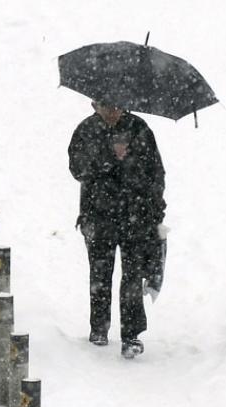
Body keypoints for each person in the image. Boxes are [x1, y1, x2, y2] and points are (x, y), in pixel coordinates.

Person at [68, 100, 166, 358]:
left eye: (117, 106)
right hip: (98, 216)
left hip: (136, 216)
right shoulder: (86, 130)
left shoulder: (139, 129)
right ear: (94, 105)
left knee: (133, 275)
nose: (112, 112)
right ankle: (98, 328)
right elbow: (78, 169)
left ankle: (131, 334)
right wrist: (110, 158)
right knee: (100, 275)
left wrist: (157, 210)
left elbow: (156, 173)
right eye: (106, 106)